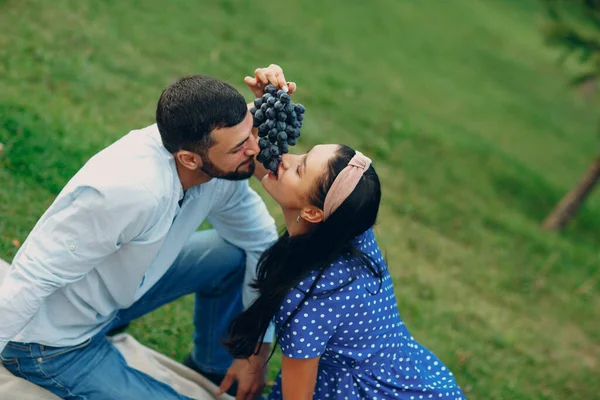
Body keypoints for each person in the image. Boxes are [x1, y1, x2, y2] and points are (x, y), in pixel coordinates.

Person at [0, 64, 296, 399]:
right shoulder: (126, 191)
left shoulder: (218, 168)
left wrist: (253, 351)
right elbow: (33, 276)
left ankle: (215, 372)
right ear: (189, 159)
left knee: (238, 253)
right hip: (52, 343)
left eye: (251, 135)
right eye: (240, 146)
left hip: (121, 294)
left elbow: (261, 244)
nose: (254, 151)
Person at [225, 144, 466, 399]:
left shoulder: (308, 300)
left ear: (312, 213)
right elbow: (269, 165)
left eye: (300, 168)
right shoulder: (350, 230)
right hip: (417, 378)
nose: (285, 159)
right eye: (305, 154)